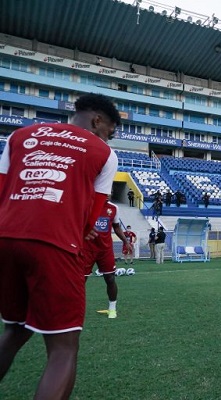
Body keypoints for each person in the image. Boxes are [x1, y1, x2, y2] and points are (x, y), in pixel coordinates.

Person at [0, 93, 120, 398]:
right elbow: (94, 217)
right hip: (55, 244)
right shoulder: (103, 152)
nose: (109, 137)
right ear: (98, 121)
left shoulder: (18, 136)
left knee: (15, 330)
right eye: (110, 131)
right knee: (63, 348)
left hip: (6, 239)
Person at [81, 199, 133, 319]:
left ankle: (112, 309)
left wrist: (126, 241)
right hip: (87, 249)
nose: (109, 192)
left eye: (110, 190)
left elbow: (117, 227)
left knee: (110, 279)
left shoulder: (114, 208)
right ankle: (74, 310)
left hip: (105, 250)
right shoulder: (86, 204)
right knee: (80, 281)